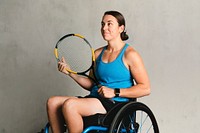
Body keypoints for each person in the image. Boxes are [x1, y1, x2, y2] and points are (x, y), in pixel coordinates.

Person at [46, 10, 150, 133]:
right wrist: (70, 73)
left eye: (109, 24)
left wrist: (115, 92)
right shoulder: (97, 53)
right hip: (95, 99)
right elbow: (92, 84)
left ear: (121, 28)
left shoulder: (130, 54)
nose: (104, 28)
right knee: (52, 102)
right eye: (102, 24)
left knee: (70, 105)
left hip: (115, 103)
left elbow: (145, 88)